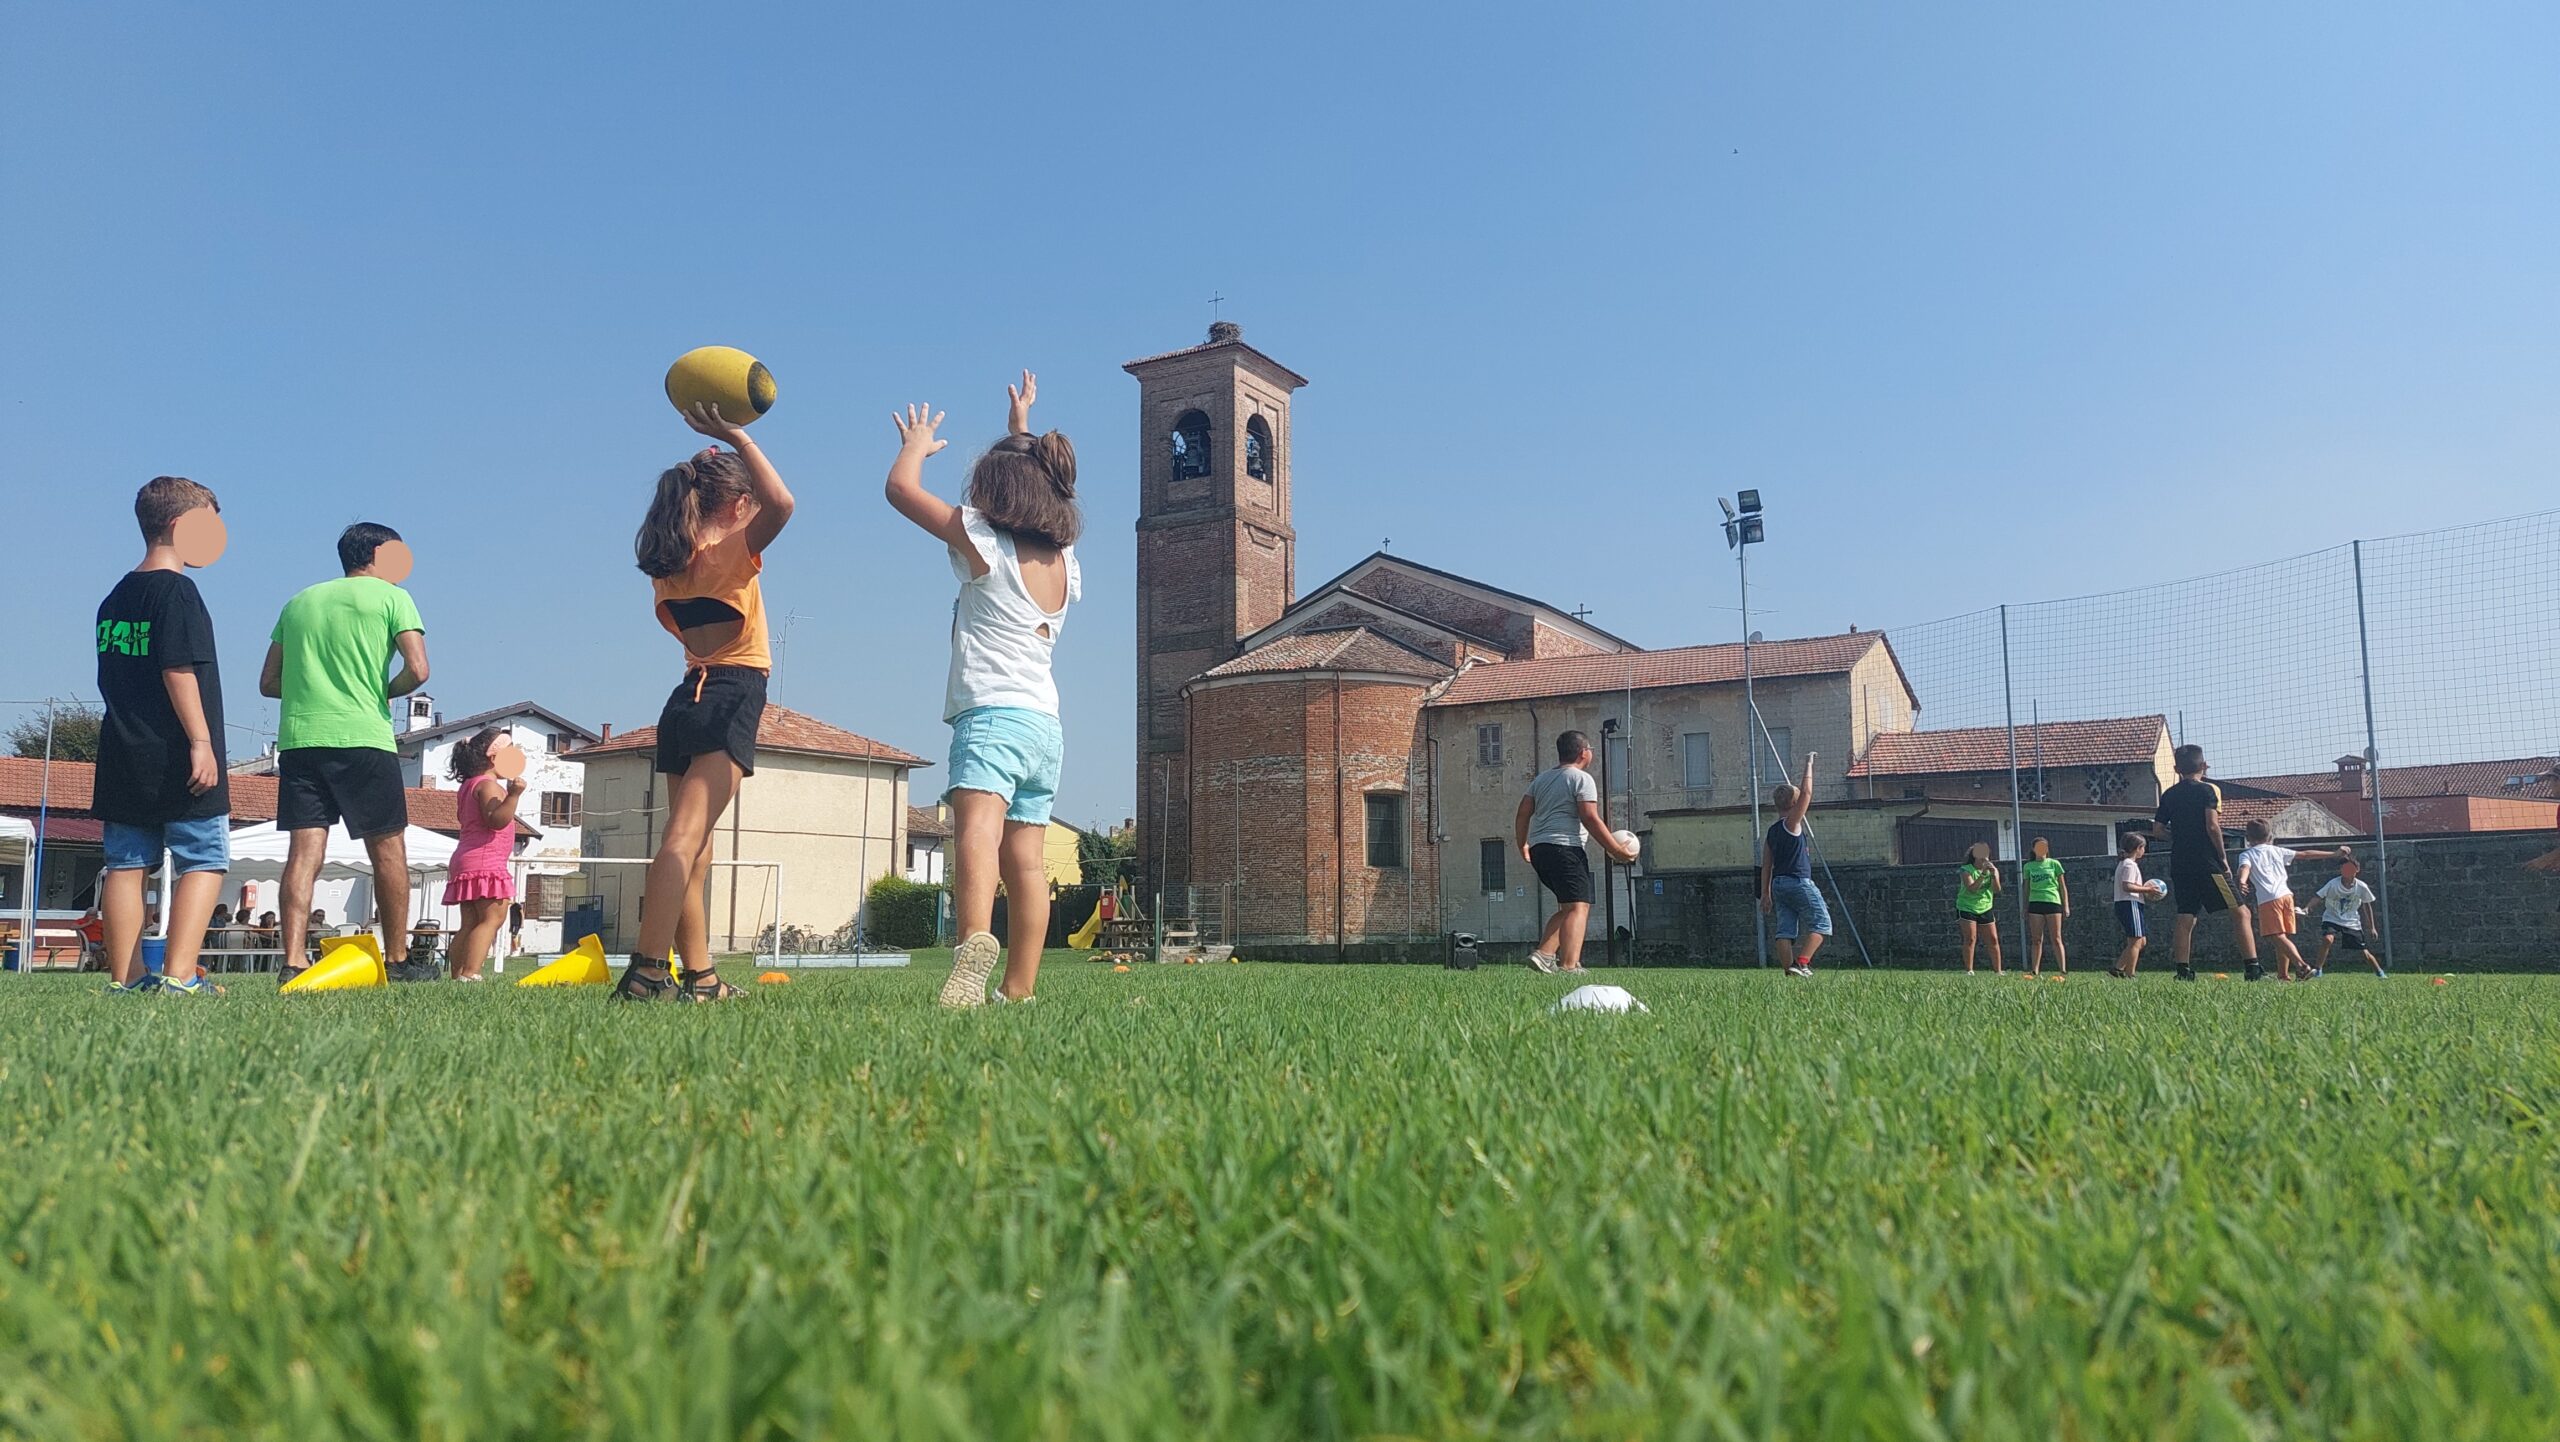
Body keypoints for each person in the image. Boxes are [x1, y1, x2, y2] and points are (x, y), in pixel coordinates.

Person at [885, 374, 1086, 1008]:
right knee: (1026, 860)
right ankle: (1019, 988)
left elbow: (900, 491)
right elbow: (1038, 479)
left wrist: (916, 444)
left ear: (994, 497)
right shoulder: (1065, 560)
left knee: (975, 830)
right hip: (1045, 728)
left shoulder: (984, 545)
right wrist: (1021, 425)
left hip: (992, 717)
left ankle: (973, 940)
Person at [610, 403, 794, 1002]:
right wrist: (738, 435)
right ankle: (645, 972)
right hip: (730, 693)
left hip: (684, 702)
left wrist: (726, 454)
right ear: (739, 508)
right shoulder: (729, 554)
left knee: (693, 845)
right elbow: (783, 502)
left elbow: (766, 499)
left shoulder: (670, 563)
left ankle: (701, 976)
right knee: (684, 842)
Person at [263, 521, 431, 983]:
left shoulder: (297, 602)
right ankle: (396, 960)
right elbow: (418, 670)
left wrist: (313, 690)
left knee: (303, 853)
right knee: (388, 848)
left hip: (300, 739)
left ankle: (292, 961)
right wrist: (382, 691)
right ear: (378, 553)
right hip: (363, 736)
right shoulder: (394, 597)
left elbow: (267, 683)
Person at [92, 476, 232, 996]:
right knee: (204, 858)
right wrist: (201, 740)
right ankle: (179, 977)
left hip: (124, 750)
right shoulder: (178, 592)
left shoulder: (115, 596)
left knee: (126, 864)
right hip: (178, 754)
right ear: (182, 526)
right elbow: (178, 668)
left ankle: (125, 979)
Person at [1514, 730, 1639, 975]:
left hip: (1541, 850)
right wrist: (1615, 850)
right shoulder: (1582, 779)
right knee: (1578, 907)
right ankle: (1569, 966)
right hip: (1565, 849)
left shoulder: (1540, 780)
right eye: (1590, 748)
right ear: (1584, 753)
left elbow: (1522, 813)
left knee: (1568, 908)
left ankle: (1543, 955)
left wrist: (1523, 844)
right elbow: (1589, 817)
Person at [2148, 743, 2262, 982]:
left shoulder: (2169, 794)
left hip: (2180, 862)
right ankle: (2252, 967)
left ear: (2176, 768)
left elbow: (2157, 830)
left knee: (2186, 914)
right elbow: (2212, 825)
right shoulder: (2208, 791)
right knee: (2240, 911)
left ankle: (2183, 971)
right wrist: (2222, 857)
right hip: (2208, 862)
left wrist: (2179, 837)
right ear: (2203, 766)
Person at [440, 727, 523, 981]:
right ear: (493, 757)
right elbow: (496, 820)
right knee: (492, 918)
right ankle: (471, 972)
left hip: (466, 858)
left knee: (470, 922)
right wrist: (514, 795)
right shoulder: (489, 786)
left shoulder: (468, 786)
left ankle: (457, 975)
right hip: (486, 861)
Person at [2235, 821, 2350, 980]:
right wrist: (2333, 854)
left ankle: (2302, 966)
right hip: (2287, 896)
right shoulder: (2277, 850)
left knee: (2276, 936)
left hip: (2269, 898)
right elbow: (2305, 854)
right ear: (2270, 836)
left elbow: (2244, 868)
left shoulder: (2247, 854)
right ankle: (2283, 975)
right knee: (2282, 937)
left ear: (2247, 838)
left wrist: (2242, 881)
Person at [1756, 750, 1827, 976]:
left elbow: (1766, 865)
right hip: (1798, 882)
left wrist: (1765, 893)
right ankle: (1802, 963)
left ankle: (1790, 973)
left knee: (1784, 931)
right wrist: (1808, 763)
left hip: (1778, 885)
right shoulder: (1792, 824)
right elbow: (1807, 792)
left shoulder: (1772, 832)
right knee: (1822, 923)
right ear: (1795, 804)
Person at [2310, 855, 2384, 977]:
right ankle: (2318, 970)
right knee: (2327, 939)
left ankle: (2380, 973)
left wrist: (2372, 927)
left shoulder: (2361, 887)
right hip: (2331, 918)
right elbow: (2318, 896)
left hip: (2351, 922)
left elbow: (2367, 906)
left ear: (2357, 870)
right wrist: (2308, 908)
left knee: (2363, 952)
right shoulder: (2333, 884)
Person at [2109, 831, 2165, 977]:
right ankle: (2130, 974)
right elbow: (2127, 886)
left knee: (2142, 941)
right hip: (2129, 903)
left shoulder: (2126, 864)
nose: (2144, 851)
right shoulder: (2129, 865)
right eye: (2143, 847)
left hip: (2131, 904)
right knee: (2135, 941)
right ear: (2138, 848)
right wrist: (2148, 889)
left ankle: (2118, 968)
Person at [2021, 837, 2070, 976]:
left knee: (2056, 937)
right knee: (2036, 939)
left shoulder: (2054, 864)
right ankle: (2035, 969)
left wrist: (2065, 905)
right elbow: (2026, 888)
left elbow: (2062, 886)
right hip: (2035, 903)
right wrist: (2024, 907)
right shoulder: (2028, 866)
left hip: (2053, 902)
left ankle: (2062, 969)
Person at [1955, 842, 2003, 973]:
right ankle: (1969, 970)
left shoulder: (1993, 869)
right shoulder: (1966, 870)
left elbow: (1997, 890)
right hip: (1967, 907)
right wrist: (1983, 874)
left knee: (1993, 939)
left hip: (1985, 907)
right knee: (1970, 938)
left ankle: (1998, 971)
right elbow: (1972, 889)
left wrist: (1993, 874)